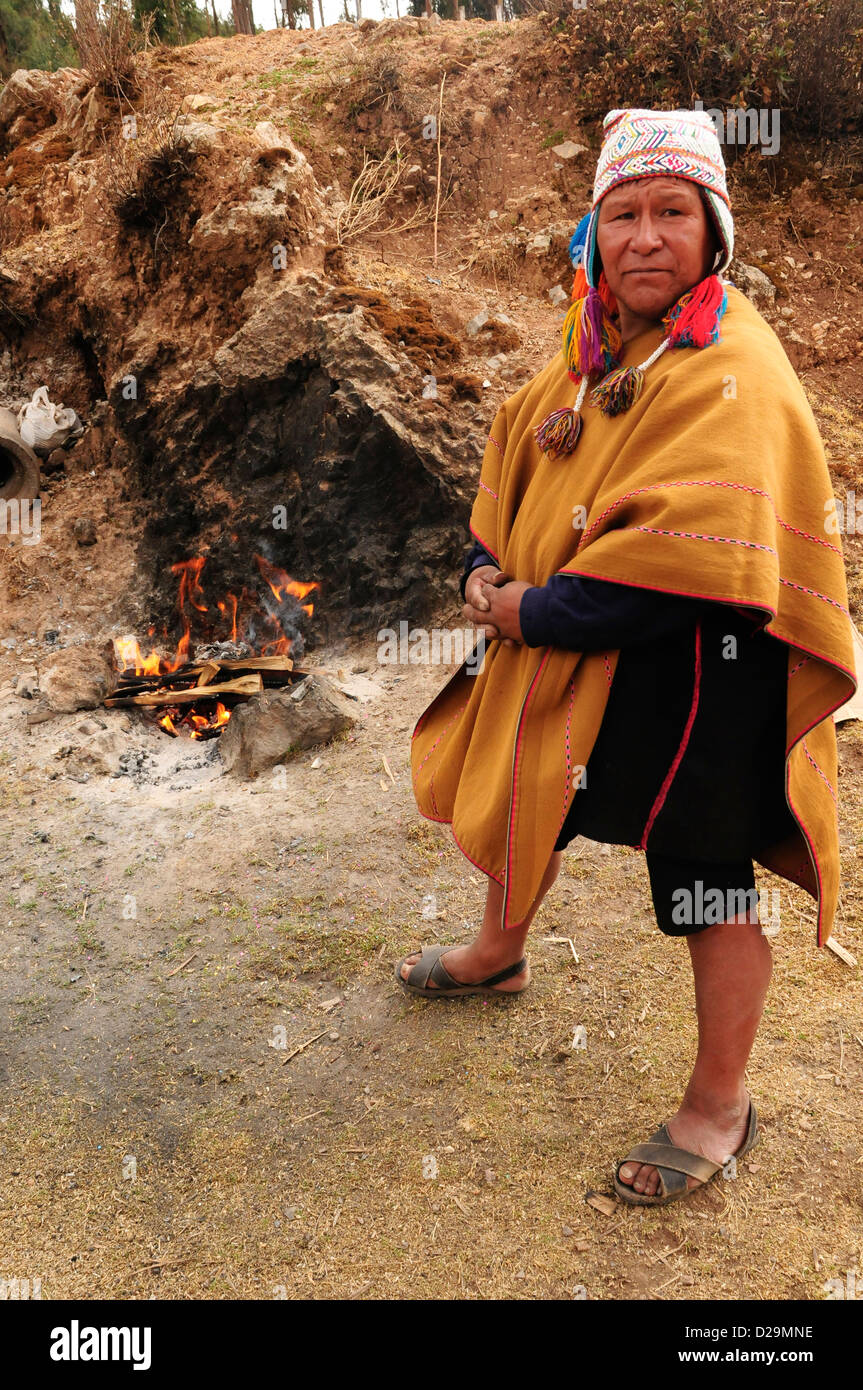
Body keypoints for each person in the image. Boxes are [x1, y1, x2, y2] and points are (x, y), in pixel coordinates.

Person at [401, 109, 856, 1206]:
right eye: (621, 215)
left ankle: (718, 1106)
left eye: (670, 213)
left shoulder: (727, 366)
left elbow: (650, 571)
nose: (644, 237)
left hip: (705, 672)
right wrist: (482, 564)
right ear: (591, 234)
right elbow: (518, 460)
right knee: (530, 781)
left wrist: (518, 612)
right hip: (582, 641)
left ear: (712, 234)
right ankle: (496, 951)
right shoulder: (594, 345)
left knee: (701, 878)